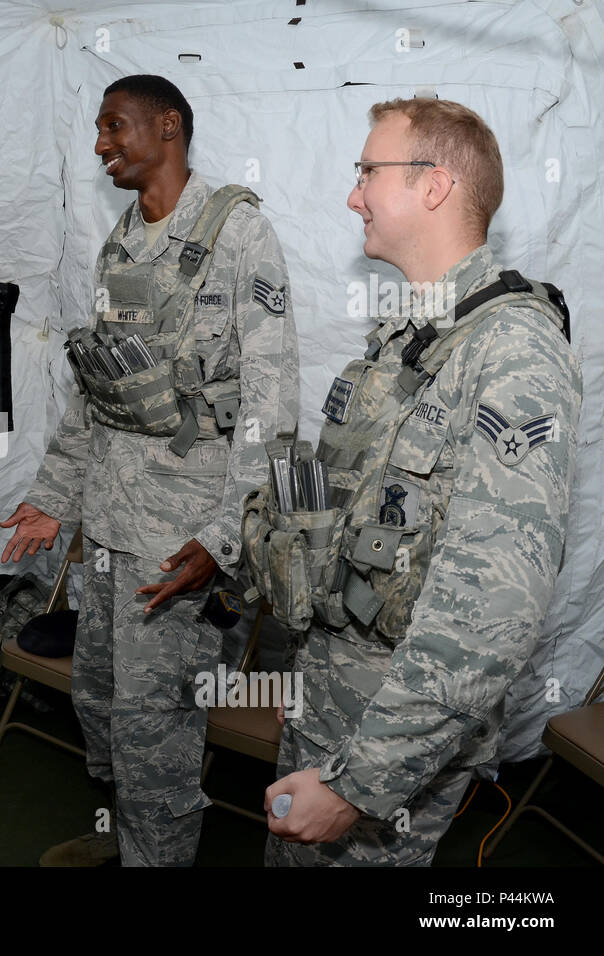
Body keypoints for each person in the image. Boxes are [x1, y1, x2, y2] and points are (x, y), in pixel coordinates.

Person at [250, 98, 581, 865]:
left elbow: (491, 609)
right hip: (332, 703)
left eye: (369, 171)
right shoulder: (413, 336)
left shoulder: (513, 351)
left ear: (433, 185)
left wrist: (359, 784)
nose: (353, 193)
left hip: (388, 745)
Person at [1, 75, 300, 866]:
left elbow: (275, 405)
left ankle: (156, 852)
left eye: (114, 127)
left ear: (168, 127)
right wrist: (52, 500)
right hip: (104, 524)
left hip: (177, 542)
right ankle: (128, 834)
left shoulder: (238, 233)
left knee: (154, 727)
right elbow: (96, 393)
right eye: (99, 130)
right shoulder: (120, 243)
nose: (101, 144)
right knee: (98, 697)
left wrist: (222, 536)